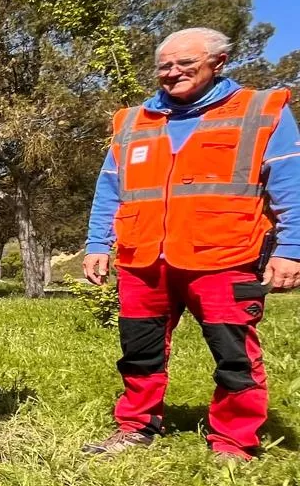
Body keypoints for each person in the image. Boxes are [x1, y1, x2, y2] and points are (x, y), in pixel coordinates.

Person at [80, 28, 300, 460]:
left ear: (218, 62)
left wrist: (292, 248)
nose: (173, 72)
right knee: (139, 350)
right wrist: (96, 242)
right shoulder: (132, 121)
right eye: (165, 66)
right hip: (143, 257)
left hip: (224, 256)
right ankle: (135, 425)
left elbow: (290, 183)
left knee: (234, 352)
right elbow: (110, 187)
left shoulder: (260, 111)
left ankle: (234, 441)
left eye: (185, 64)